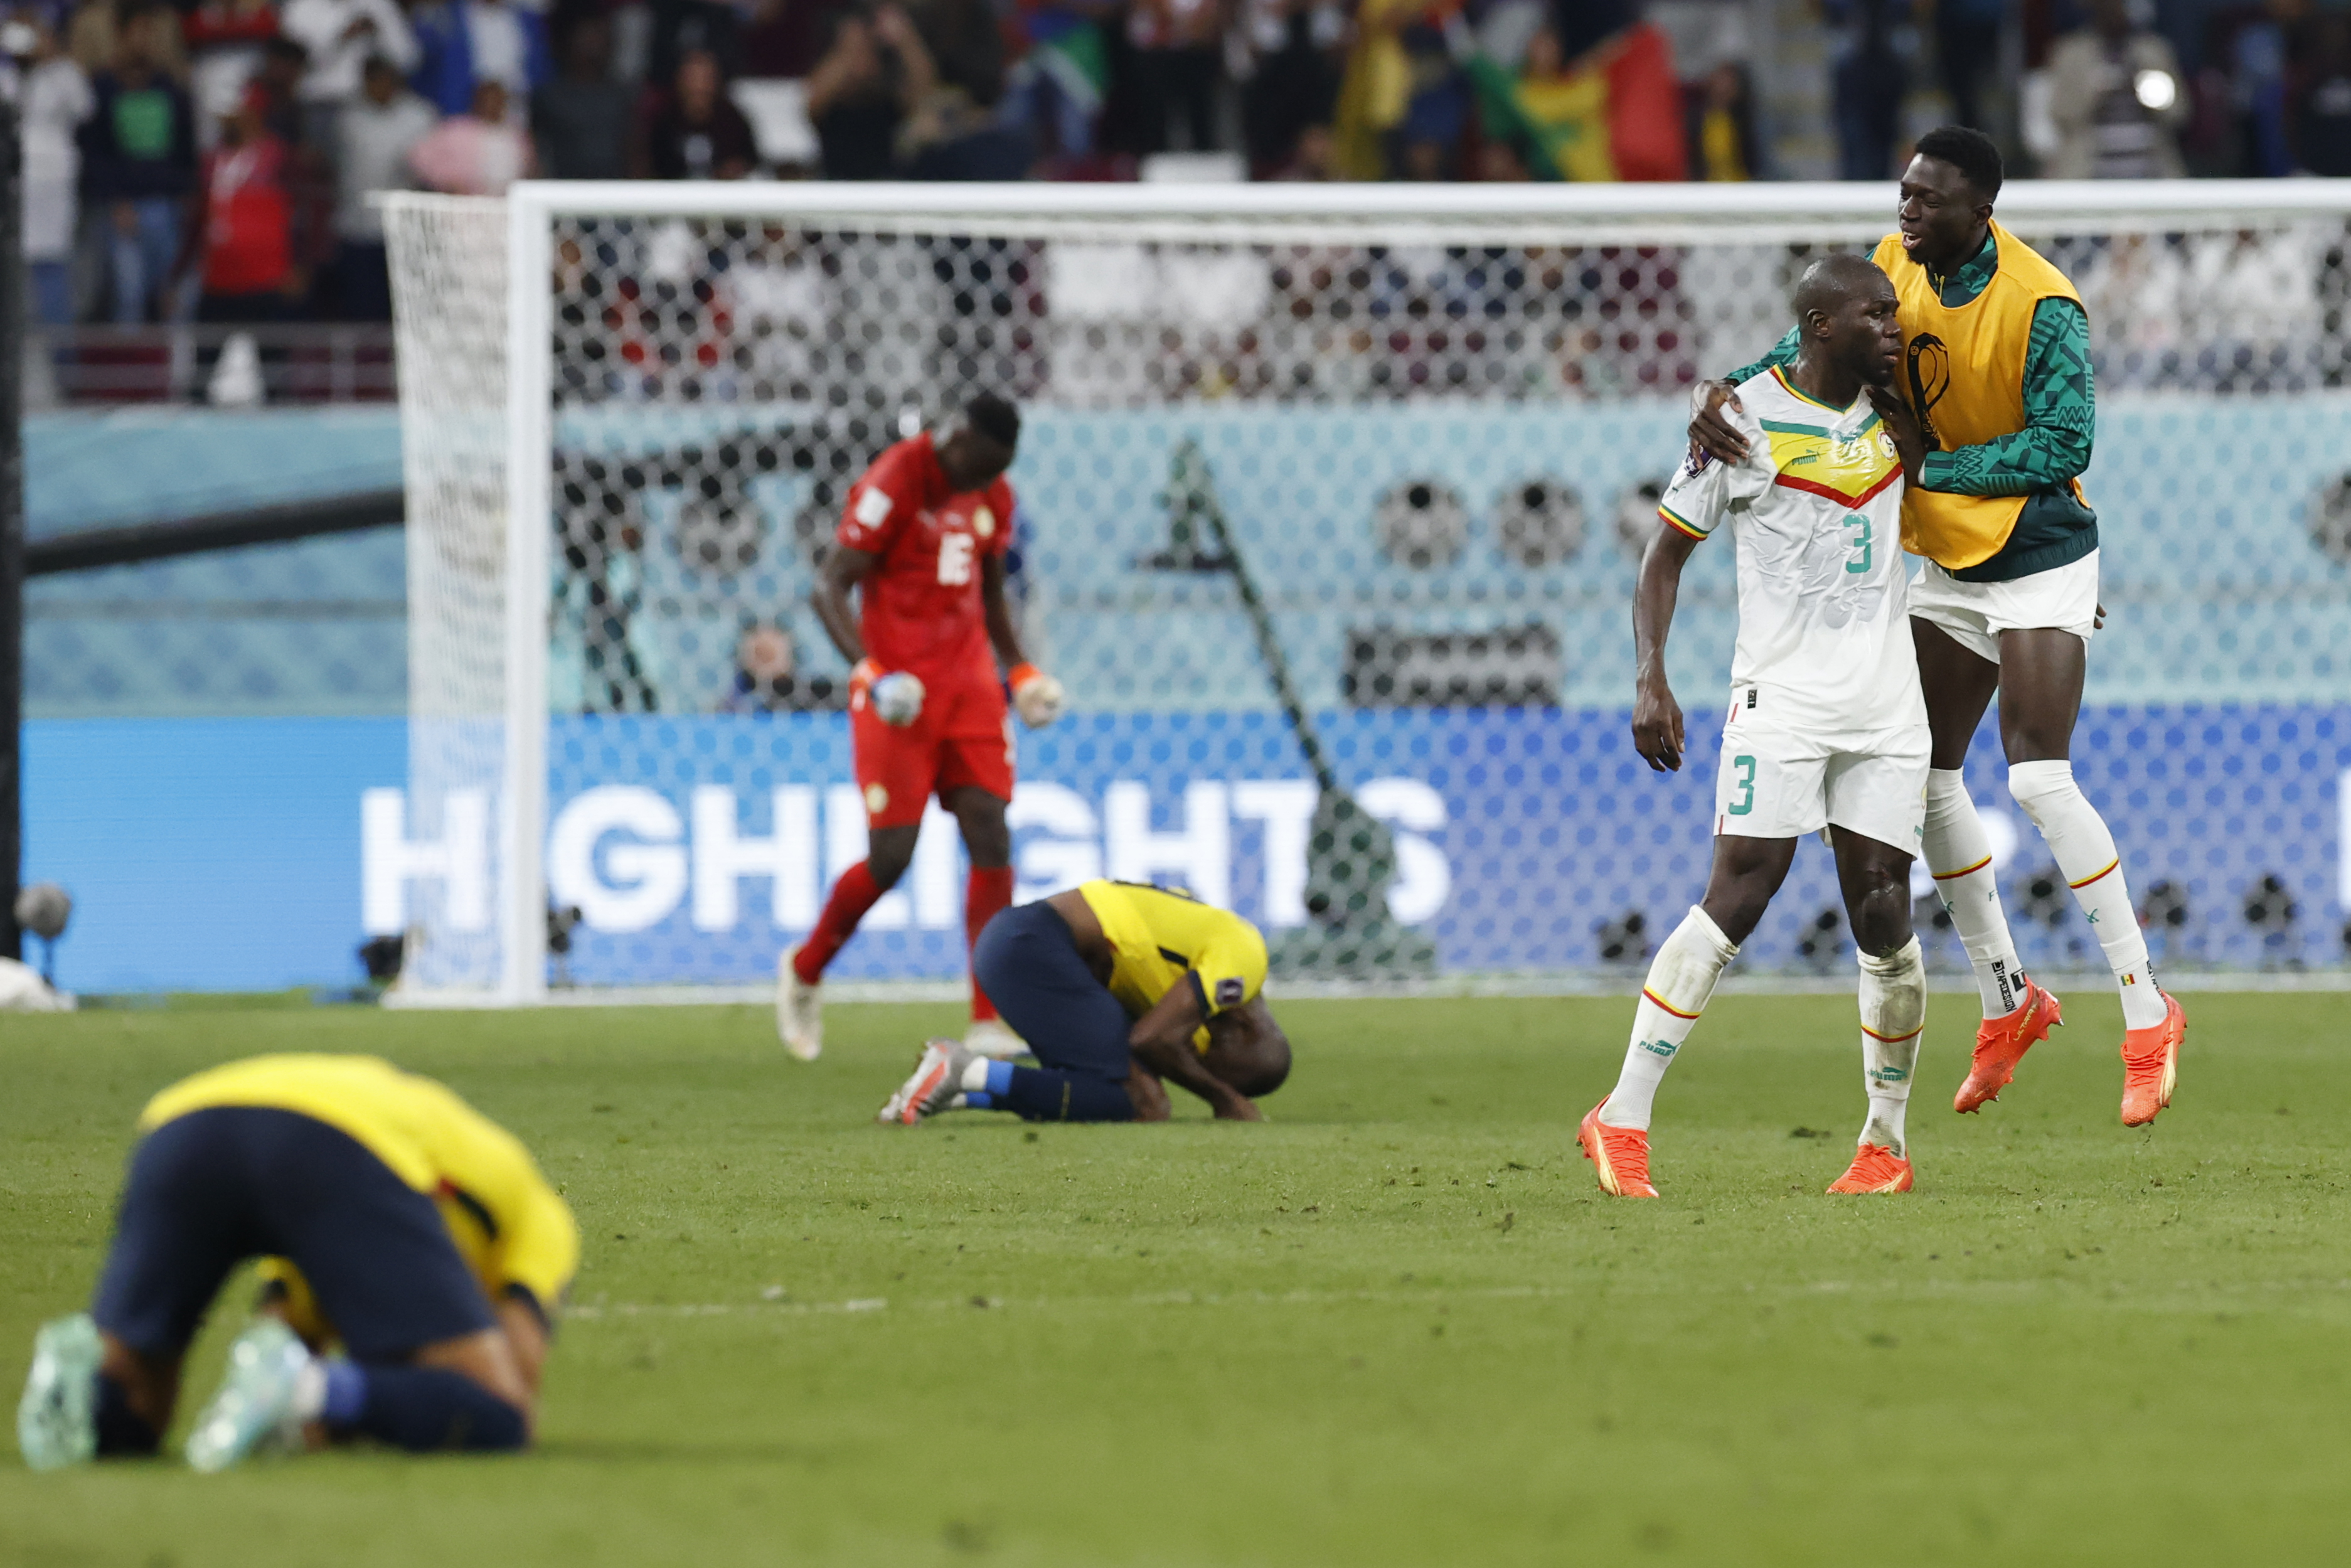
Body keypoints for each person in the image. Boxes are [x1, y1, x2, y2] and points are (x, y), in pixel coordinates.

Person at [1687, 126, 2185, 1129]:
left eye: (1926, 201)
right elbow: (1805, 349)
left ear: (1979, 212)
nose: (1905, 212)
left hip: (2037, 548)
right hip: (1940, 557)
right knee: (1923, 780)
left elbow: (2062, 442)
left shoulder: (2042, 303)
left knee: (2038, 776)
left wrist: (1930, 471)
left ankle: (2145, 1009)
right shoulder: (1887, 267)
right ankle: (2008, 997)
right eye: (1903, 193)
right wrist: (1728, 394)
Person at [1581, 253, 1931, 1201]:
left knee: (1882, 908)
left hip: (1886, 703)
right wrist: (1649, 676)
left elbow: (1961, 513)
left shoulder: (1901, 414)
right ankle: (1620, 1114)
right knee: (1738, 891)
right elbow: (1663, 558)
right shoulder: (1738, 417)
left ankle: (1883, 1144)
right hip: (1778, 697)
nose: (1893, 328)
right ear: (1821, 325)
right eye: (1875, 315)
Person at [16, 1053, 577, 1471]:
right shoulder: (543, 1222)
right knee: (498, 1414)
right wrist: (335, 1398)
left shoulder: (369, 1221)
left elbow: (274, 1345)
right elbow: (516, 1376)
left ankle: (86, 1381)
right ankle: (315, 1388)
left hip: (181, 1125)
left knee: (138, 1408)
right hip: (340, 1138)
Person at [777, 395, 1067, 1063]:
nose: (982, 484)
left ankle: (990, 1017)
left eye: (997, 472)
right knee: (892, 858)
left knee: (990, 827)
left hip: (968, 685)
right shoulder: (894, 482)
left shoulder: (993, 491)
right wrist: (871, 673)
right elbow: (828, 587)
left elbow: (991, 587)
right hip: (899, 692)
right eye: (980, 468)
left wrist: (1018, 671)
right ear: (957, 441)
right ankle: (807, 968)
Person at [878, 879, 1291, 1125]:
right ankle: (968, 1071)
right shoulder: (1243, 960)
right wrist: (1223, 1099)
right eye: (1217, 1060)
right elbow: (1149, 1039)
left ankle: (960, 1087)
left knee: (1140, 1100)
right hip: (1032, 946)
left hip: (1025, 946)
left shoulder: (1194, 971)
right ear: (1247, 1029)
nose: (1202, 1063)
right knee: (1137, 1100)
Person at [80, 3, 199, 324]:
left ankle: (180, 371)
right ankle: (128, 369)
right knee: (129, 296)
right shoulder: (103, 88)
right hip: (125, 209)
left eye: (151, 33)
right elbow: (95, 152)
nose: (145, 41)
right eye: (139, 32)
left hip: (167, 206)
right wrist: (116, 200)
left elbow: (185, 148)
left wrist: (186, 194)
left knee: (176, 298)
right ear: (121, 35)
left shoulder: (170, 88)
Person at [331, 54, 434, 320]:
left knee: (406, 308)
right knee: (362, 307)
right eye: (373, 81)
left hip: (406, 229)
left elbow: (434, 170)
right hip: (358, 228)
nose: (380, 87)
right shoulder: (347, 118)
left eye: (386, 80)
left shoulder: (420, 116)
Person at [2044, 0, 2188, 179]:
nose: (2115, 13)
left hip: (2151, 173)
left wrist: (2145, 92)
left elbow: (2178, 112)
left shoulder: (2153, 51)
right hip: (2087, 173)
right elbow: (2060, 114)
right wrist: (2096, 95)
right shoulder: (2071, 53)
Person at [16, 15, 95, 328]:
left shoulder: (66, 74)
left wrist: (50, 63)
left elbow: (85, 108)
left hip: (52, 185)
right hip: (15, 185)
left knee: (51, 267)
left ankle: (62, 362)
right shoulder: (12, 74)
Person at [532, 11, 634, 180]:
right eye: (588, 38)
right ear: (571, 43)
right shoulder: (549, 95)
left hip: (614, 189)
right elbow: (538, 150)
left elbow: (633, 148)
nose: (594, 45)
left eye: (600, 38)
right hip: (563, 189)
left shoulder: (621, 94)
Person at [635, 44, 757, 178]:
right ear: (679, 81)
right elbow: (648, 169)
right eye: (692, 78)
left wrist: (736, 170)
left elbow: (752, 165)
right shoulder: (664, 123)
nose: (699, 87)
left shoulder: (733, 122)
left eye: (705, 79)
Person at [408, 77, 535, 194]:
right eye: (487, 100)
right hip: (466, 204)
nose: (492, 105)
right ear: (477, 101)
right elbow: (418, 157)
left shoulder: (516, 134)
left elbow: (530, 168)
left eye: (497, 100)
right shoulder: (456, 129)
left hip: (506, 204)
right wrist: (447, 182)